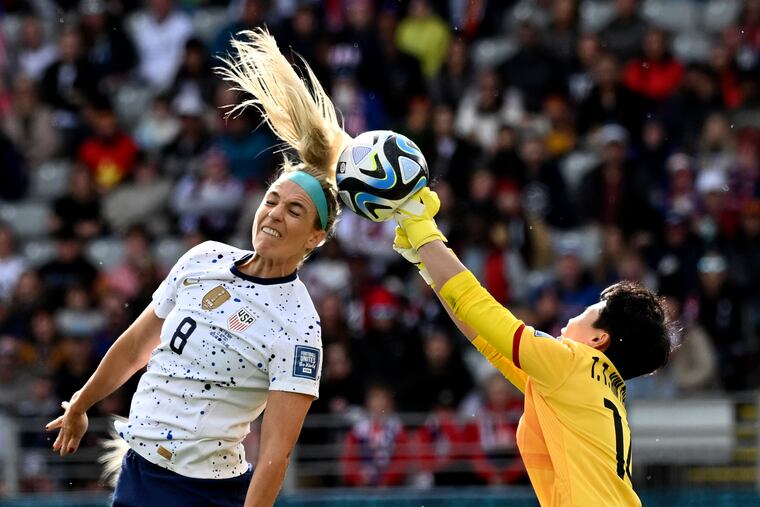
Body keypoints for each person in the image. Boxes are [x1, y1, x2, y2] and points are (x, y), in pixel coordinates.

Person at [46, 29, 350, 507]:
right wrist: (80, 405)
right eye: (272, 200)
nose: (274, 214)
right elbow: (134, 349)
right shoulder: (205, 258)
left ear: (316, 237)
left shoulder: (299, 327)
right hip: (139, 475)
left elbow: (275, 454)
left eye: (295, 211)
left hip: (205, 494)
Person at [391, 187, 672, 506]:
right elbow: (487, 339)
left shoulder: (571, 365)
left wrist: (420, 225)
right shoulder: (587, 385)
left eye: (589, 310)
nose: (575, 313)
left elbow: (479, 306)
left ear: (599, 339)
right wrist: (428, 264)